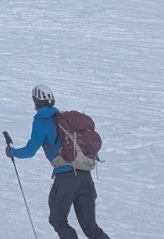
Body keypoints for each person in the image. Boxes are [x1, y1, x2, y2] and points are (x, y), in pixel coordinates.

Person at [8, 84, 109, 239]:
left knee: (58, 220)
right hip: (85, 178)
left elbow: (30, 151)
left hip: (66, 179)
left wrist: (12, 152)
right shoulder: (65, 120)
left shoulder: (42, 121)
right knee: (91, 228)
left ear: (35, 102)